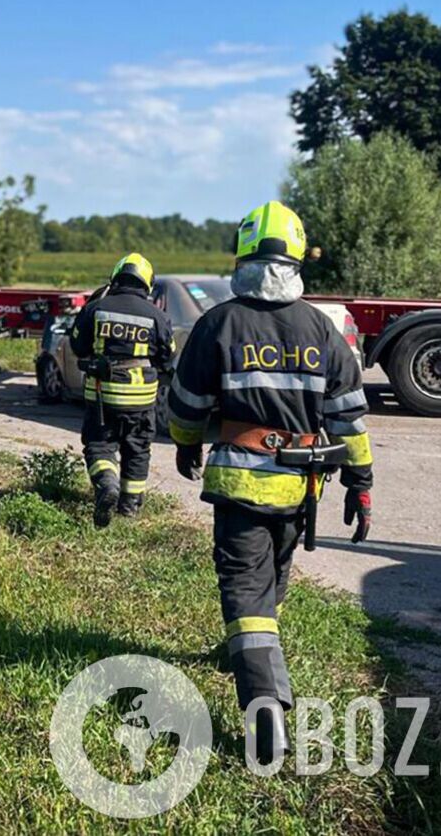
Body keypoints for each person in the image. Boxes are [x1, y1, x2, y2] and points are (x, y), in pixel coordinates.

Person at [166, 200, 374, 761]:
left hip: (240, 486)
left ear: (244, 258)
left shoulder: (218, 322)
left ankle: (268, 715)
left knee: (245, 591)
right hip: (302, 489)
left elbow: (185, 405)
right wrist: (361, 482)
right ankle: (250, 651)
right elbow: (349, 419)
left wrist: (187, 443)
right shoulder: (322, 330)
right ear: (299, 259)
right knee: (272, 581)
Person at [70, 252, 173, 527]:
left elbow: (77, 346)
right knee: (137, 449)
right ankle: (129, 508)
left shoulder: (96, 308)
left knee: (99, 445)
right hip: (141, 399)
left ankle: (106, 484)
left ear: (115, 277)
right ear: (147, 283)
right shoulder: (157, 316)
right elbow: (167, 356)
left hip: (103, 397)